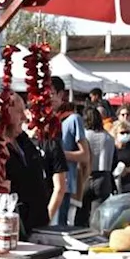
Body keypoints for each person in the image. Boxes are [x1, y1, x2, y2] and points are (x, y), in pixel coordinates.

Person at [3, 92, 62, 239]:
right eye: (19, 111)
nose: (24, 117)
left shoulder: (23, 140)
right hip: (16, 229)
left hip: (39, 224)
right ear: (5, 112)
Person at [53, 78, 89, 226]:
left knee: (59, 228)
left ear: (60, 94)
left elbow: (84, 155)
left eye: (50, 93)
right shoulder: (44, 119)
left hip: (65, 184)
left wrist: (58, 155)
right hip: (46, 183)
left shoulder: (73, 119)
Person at [77, 107, 116, 226]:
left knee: (80, 215)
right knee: (98, 217)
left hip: (85, 176)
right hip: (104, 176)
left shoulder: (84, 136)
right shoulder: (109, 137)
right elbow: (114, 160)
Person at [112, 120, 130, 193]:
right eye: (122, 133)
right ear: (116, 133)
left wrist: (127, 170)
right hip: (114, 183)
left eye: (127, 132)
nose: (125, 135)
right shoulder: (111, 147)